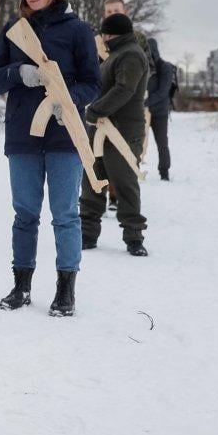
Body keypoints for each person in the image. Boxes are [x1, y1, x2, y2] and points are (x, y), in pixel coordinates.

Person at [0, 0, 100, 317]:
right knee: (25, 214)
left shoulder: (78, 31)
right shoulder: (14, 29)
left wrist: (66, 100)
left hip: (65, 135)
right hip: (22, 135)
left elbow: (93, 83)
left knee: (65, 214)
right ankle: (21, 286)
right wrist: (19, 73)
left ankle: (65, 290)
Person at [80, 13, 150, 256]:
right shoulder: (116, 54)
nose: (103, 39)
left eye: (105, 34)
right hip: (100, 129)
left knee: (124, 184)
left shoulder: (131, 55)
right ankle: (87, 235)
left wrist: (95, 110)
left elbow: (124, 89)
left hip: (123, 132)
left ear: (111, 34)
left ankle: (134, 238)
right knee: (93, 181)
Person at [145, 37, 176, 181]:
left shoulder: (165, 67)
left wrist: (145, 102)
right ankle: (134, 171)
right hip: (144, 112)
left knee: (162, 143)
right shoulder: (144, 66)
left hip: (160, 113)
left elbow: (163, 92)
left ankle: (164, 172)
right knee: (137, 143)